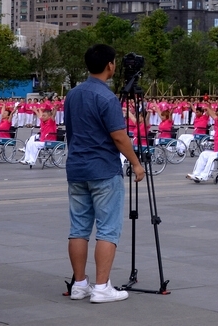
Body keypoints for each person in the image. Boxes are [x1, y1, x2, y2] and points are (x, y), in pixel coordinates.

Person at [64, 44, 145, 303]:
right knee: (108, 230)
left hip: (76, 168)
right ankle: (101, 287)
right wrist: (136, 163)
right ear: (110, 65)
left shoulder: (73, 94)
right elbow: (119, 136)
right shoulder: (107, 98)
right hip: (102, 169)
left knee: (78, 228)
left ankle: (79, 284)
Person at [186, 105, 218, 182]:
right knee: (203, 154)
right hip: (217, 151)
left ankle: (204, 176)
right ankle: (196, 174)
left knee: (212, 156)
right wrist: (207, 109)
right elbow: (213, 116)